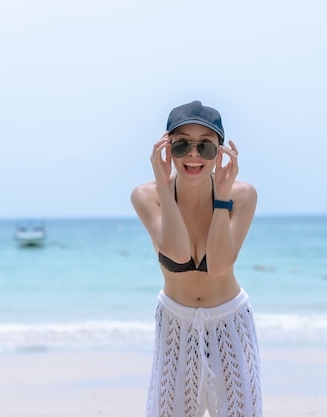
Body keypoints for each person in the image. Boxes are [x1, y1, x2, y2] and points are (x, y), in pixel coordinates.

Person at [131, 100, 262, 416]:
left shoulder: (242, 195)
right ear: (166, 147)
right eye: (182, 144)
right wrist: (164, 186)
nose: (193, 154)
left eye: (205, 146)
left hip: (229, 321)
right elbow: (175, 252)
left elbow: (218, 266)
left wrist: (222, 199)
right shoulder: (146, 196)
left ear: (220, 151)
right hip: (176, 324)